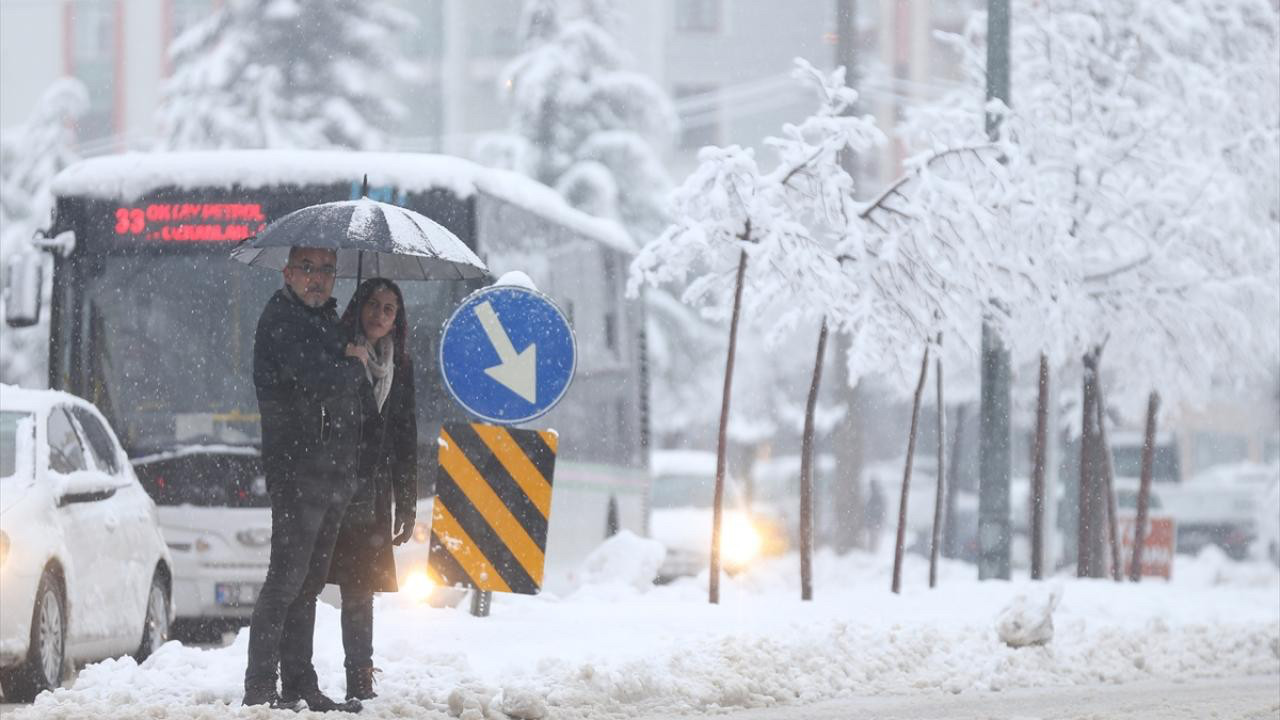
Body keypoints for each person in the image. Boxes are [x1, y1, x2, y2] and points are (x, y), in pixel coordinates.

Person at [244, 246, 368, 713]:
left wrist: (347, 350)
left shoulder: (323, 321)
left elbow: (338, 385)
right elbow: (319, 379)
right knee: (285, 581)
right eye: (309, 269)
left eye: (328, 271)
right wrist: (352, 362)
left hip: (331, 471)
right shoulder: (281, 319)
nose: (319, 279)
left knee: (310, 584)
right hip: (297, 470)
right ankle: (259, 687)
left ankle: (299, 683)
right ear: (288, 272)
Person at [327, 278, 418, 701]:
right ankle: (293, 676)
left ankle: (359, 681)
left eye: (389, 309)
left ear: (397, 319)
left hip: (374, 497)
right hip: (332, 489)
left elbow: (404, 435)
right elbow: (327, 418)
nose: (379, 314)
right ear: (358, 307)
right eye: (373, 304)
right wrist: (350, 367)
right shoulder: (336, 350)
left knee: (360, 591)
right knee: (304, 587)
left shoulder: (400, 363)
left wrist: (407, 502)